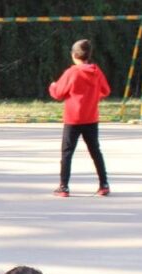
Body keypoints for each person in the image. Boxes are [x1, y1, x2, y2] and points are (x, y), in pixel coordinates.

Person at [49, 39, 111, 197]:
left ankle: (64, 186)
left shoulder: (71, 72)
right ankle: (104, 184)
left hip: (73, 119)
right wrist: (94, 96)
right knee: (95, 151)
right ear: (88, 55)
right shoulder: (96, 71)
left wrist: (53, 86)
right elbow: (106, 90)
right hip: (91, 118)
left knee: (67, 153)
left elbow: (59, 93)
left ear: (73, 55)